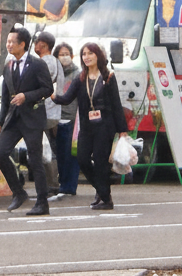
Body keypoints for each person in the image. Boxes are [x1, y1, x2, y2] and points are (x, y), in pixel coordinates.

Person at [54, 42, 128, 210]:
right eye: (84, 54)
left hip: (105, 126)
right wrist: (51, 95)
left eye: (90, 53)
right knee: (82, 159)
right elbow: (66, 98)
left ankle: (105, 199)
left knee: (102, 163)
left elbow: (116, 104)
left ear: (98, 56)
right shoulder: (80, 78)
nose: (86, 57)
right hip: (86, 126)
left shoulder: (108, 77)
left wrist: (122, 130)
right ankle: (103, 193)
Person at [0, 26, 55, 216]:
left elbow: (47, 89)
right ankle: (19, 193)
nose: (8, 45)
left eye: (12, 42)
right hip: (13, 118)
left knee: (34, 159)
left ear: (23, 44)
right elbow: (5, 96)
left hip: (33, 118)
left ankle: (42, 202)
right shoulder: (8, 65)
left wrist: (26, 96)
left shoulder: (37, 64)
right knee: (0, 153)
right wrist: (1, 121)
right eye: (7, 41)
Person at [33, 30, 63, 201]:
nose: (35, 46)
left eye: (37, 43)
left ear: (42, 45)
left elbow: (39, 84)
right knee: (47, 147)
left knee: (45, 150)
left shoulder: (45, 62)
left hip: (45, 110)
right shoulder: (56, 62)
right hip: (53, 110)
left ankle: (51, 185)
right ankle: (50, 184)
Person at [53, 42, 80, 197]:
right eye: (61, 54)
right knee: (61, 155)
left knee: (72, 154)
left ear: (72, 55)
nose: (64, 57)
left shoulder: (78, 74)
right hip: (56, 119)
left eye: (66, 54)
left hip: (72, 119)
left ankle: (69, 187)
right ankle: (63, 184)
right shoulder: (54, 74)